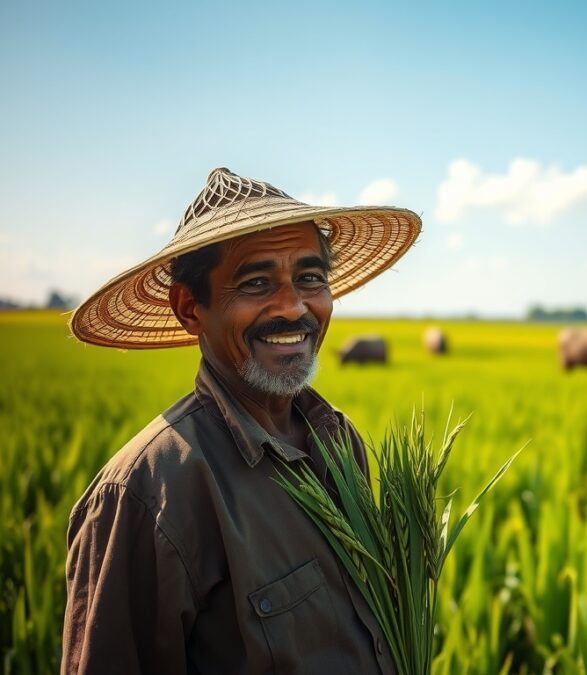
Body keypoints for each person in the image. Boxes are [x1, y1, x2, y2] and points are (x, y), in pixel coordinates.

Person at [62, 167, 421, 674]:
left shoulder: (340, 443)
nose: (293, 307)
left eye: (311, 278)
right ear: (191, 309)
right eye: (256, 283)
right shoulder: (149, 494)